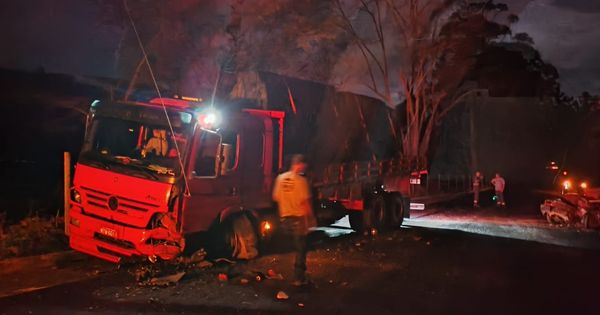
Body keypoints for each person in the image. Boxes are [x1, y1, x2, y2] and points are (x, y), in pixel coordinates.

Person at [272, 154, 315, 286]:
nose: (304, 169)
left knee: (290, 246)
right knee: (301, 248)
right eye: (304, 166)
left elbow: (276, 197)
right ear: (299, 164)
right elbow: (305, 203)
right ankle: (298, 278)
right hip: (298, 219)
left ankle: (286, 274)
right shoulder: (301, 181)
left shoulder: (280, 178)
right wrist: (311, 219)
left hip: (285, 217)